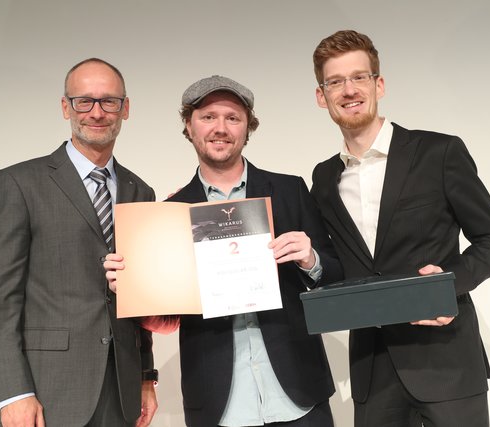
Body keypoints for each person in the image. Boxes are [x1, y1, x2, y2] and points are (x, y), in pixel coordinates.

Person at [105, 75, 343, 427]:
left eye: (233, 118)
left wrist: (312, 259)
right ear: (189, 125)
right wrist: (133, 288)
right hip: (219, 403)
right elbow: (167, 320)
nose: (221, 128)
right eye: (208, 117)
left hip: (299, 394)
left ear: (248, 128)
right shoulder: (171, 212)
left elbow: (336, 280)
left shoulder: (290, 190)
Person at [309, 30, 490, 427]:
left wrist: (448, 283)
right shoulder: (323, 178)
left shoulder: (439, 152)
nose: (348, 90)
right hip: (372, 372)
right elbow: (339, 265)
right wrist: (311, 260)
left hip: (448, 364)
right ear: (322, 96)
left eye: (359, 77)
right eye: (335, 81)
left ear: (379, 84)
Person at [0, 58, 158, 427]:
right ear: (66, 107)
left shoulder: (140, 190)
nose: (97, 112)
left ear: (126, 108)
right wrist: (13, 392)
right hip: (49, 390)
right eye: (84, 101)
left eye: (109, 101)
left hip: (122, 390)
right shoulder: (19, 183)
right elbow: (0, 299)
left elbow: (140, 296)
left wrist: (145, 376)